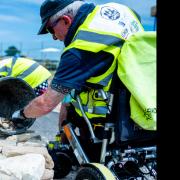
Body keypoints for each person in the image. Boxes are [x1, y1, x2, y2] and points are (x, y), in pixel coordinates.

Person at [11, 0, 144, 141]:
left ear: (66, 20)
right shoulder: (121, 10)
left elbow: (45, 104)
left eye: (50, 29)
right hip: (142, 111)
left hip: (103, 129)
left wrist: (21, 114)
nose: (54, 37)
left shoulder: (80, 49)